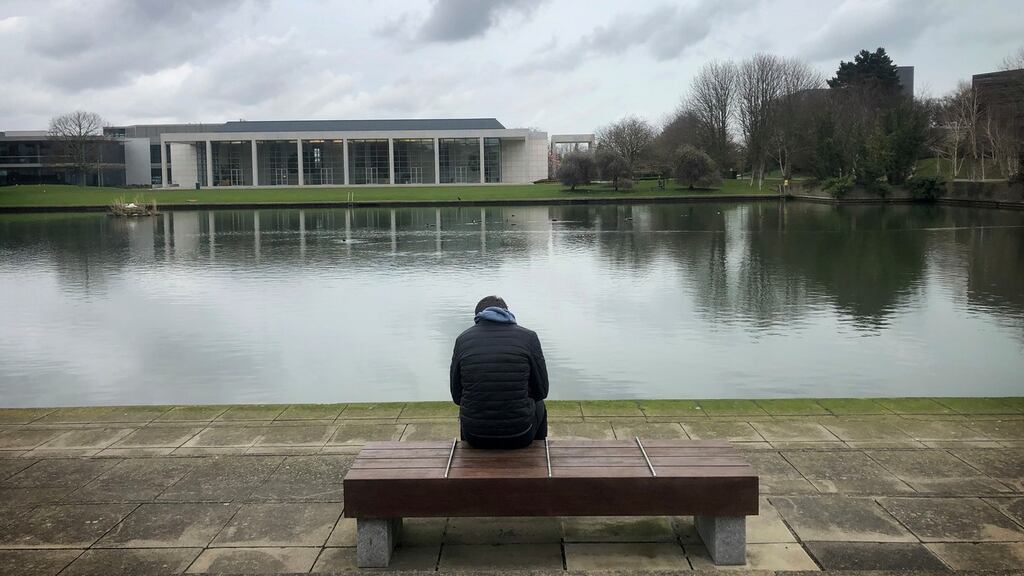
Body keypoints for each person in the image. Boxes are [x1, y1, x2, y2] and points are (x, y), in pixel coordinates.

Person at [450, 295, 549, 449]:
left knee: (466, 407)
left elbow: (457, 396)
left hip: (474, 436)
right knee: (539, 405)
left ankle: (467, 452)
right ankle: (539, 452)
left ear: (477, 317)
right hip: (521, 435)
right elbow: (541, 391)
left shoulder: (462, 339)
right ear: (506, 312)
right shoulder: (528, 337)